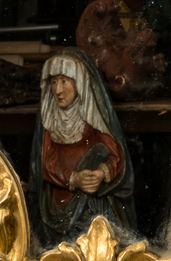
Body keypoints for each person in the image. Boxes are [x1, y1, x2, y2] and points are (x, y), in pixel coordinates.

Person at [30, 49, 136, 248]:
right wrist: (73, 178)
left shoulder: (93, 120)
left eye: (64, 81)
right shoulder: (50, 121)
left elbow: (115, 156)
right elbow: (44, 164)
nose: (58, 90)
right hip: (58, 205)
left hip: (92, 204)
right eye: (54, 82)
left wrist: (101, 172)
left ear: (79, 83)